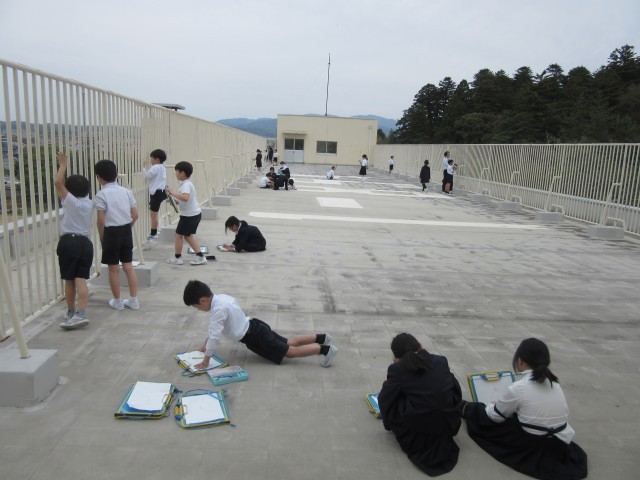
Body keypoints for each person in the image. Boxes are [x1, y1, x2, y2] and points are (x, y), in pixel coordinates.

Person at [461, 338, 588, 480]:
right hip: (559, 442)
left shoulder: (519, 387)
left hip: (536, 443)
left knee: (482, 413)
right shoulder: (554, 383)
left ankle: (463, 408)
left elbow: (495, 416)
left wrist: (492, 405)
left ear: (520, 361)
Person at [183, 280, 338, 368]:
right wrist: (203, 347)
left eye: (196, 307)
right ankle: (323, 337)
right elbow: (214, 331)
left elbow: (214, 336)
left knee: (290, 352)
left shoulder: (218, 310)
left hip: (255, 337)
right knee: (289, 342)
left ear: (203, 300)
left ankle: (326, 350)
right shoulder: (222, 298)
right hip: (256, 325)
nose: (198, 310)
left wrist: (205, 361)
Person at [378, 333, 463, 477]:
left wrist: (389, 424)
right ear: (420, 345)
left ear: (396, 356)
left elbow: (385, 400)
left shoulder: (397, 370)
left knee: (390, 392)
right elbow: (455, 389)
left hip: (419, 435)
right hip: (447, 425)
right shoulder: (441, 360)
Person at [55, 152, 94, 330]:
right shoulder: (89, 203)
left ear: (69, 191)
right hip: (85, 243)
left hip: (69, 242)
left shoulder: (70, 202)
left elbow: (58, 183)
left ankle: (71, 312)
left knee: (69, 280)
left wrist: (63, 166)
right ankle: (81, 314)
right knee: (81, 279)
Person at [94, 159, 139, 311]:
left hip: (111, 233)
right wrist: (127, 227)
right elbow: (135, 215)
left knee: (113, 269)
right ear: (116, 174)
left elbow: (101, 221)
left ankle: (118, 301)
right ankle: (133, 300)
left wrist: (103, 238)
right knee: (128, 267)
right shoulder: (126, 191)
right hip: (126, 230)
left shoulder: (101, 195)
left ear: (99, 177)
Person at [165, 161, 207, 266]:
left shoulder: (186, 185)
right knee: (187, 236)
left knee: (179, 236)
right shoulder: (186, 184)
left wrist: (172, 192)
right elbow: (185, 199)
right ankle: (199, 256)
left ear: (182, 173)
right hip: (192, 214)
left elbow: (185, 197)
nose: (175, 174)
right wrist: (175, 201)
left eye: (177, 171)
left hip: (189, 216)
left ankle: (178, 258)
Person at [142, 148, 167, 240]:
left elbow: (147, 176)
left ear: (157, 159)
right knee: (154, 213)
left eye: (151, 158)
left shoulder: (155, 167)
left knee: (153, 214)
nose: (150, 160)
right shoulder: (162, 167)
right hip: (161, 191)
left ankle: (153, 233)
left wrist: (144, 168)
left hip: (156, 193)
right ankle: (154, 232)